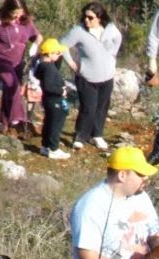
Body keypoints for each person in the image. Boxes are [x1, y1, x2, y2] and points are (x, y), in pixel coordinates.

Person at [0, 0, 43, 134]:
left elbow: (37, 36)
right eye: (14, 14)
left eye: (19, 13)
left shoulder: (25, 21)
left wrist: (36, 44)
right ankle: (18, 119)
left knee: (9, 90)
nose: (16, 17)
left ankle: (3, 123)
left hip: (17, 61)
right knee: (13, 85)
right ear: (7, 11)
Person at [61, 2, 123, 151]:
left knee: (102, 107)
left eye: (90, 17)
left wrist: (112, 57)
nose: (86, 20)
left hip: (107, 77)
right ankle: (81, 136)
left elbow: (118, 39)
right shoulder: (79, 31)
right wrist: (71, 63)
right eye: (85, 17)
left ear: (100, 18)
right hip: (87, 77)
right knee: (89, 107)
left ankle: (97, 135)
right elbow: (62, 45)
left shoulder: (110, 28)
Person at [35, 39, 70, 159]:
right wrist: (62, 91)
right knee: (56, 124)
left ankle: (45, 147)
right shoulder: (49, 68)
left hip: (48, 100)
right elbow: (48, 86)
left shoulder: (42, 65)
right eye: (58, 52)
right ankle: (54, 149)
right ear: (49, 54)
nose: (60, 54)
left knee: (49, 122)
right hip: (54, 100)